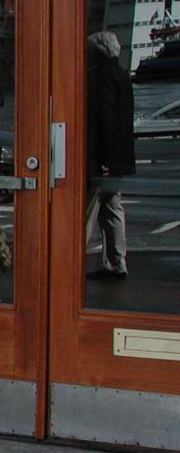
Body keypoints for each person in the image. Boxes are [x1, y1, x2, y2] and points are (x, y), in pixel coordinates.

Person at [85, 31, 135, 280]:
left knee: (87, 210)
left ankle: (70, 262)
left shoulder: (100, 78)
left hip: (100, 160)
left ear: (99, 52)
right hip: (117, 160)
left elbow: (104, 120)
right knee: (113, 209)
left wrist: (102, 158)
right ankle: (117, 262)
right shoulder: (122, 76)